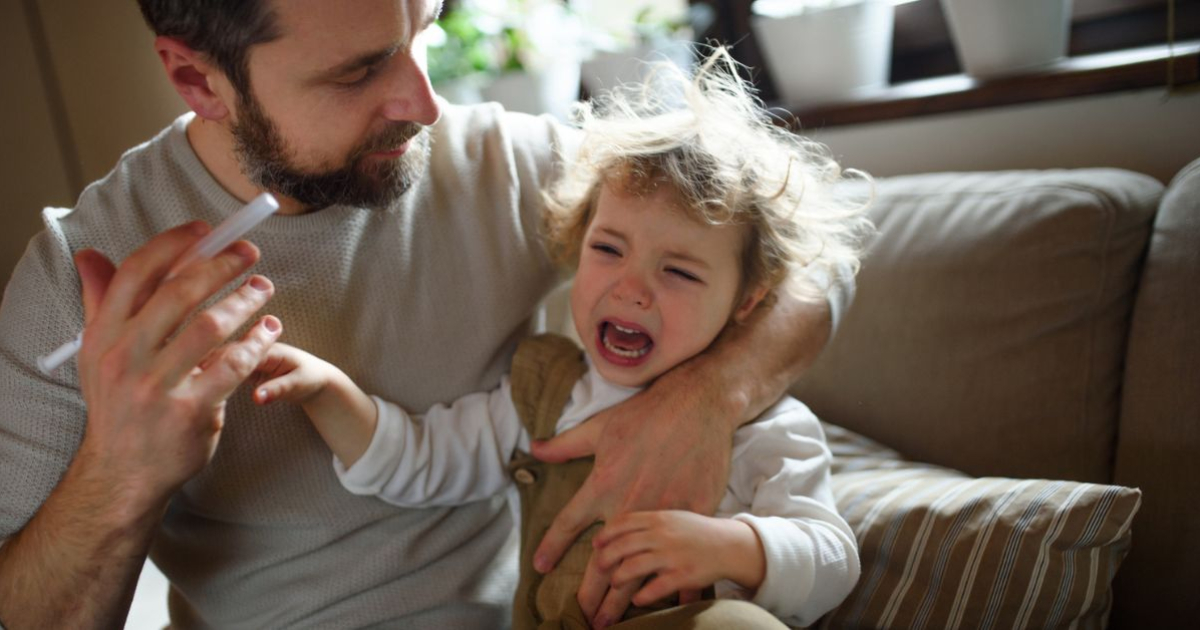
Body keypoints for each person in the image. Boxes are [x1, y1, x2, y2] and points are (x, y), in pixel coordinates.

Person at [0, 1, 852, 628]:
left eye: (425, 33)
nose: (425, 103)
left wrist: (702, 402)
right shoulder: (79, 285)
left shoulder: (504, 167)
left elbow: (811, 274)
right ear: (197, 79)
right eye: (359, 70)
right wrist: (119, 472)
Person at [249, 50, 870, 629]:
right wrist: (328, 391)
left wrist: (736, 548)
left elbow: (833, 562)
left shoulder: (768, 428)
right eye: (607, 250)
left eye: (678, 271)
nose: (631, 290)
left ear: (747, 302)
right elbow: (424, 459)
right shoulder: (544, 396)